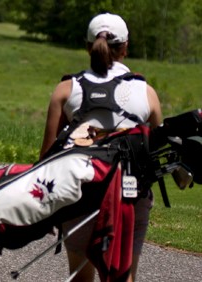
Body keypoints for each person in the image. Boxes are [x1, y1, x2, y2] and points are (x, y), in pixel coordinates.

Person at [39, 13, 162, 281]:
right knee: (122, 276)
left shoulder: (66, 89)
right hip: (131, 195)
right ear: (125, 48)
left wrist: (45, 210)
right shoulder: (147, 92)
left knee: (81, 277)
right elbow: (154, 151)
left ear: (88, 47)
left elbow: (46, 158)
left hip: (81, 192)